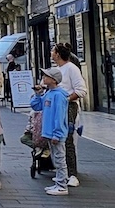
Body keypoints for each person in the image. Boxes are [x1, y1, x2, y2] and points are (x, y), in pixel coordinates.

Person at [51, 43, 86, 187]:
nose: (51, 53)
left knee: (68, 140)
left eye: (53, 51)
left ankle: (72, 174)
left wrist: (65, 99)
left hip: (67, 106)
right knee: (57, 140)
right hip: (55, 107)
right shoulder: (56, 70)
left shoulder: (72, 68)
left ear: (58, 54)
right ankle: (62, 172)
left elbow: (81, 90)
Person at [31, 69, 71, 194]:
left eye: (46, 76)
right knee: (55, 158)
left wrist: (57, 133)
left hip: (55, 133)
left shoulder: (58, 95)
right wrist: (38, 94)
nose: (43, 77)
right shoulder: (49, 93)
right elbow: (37, 106)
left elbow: (59, 115)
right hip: (49, 132)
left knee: (59, 159)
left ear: (53, 80)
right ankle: (59, 182)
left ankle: (62, 185)